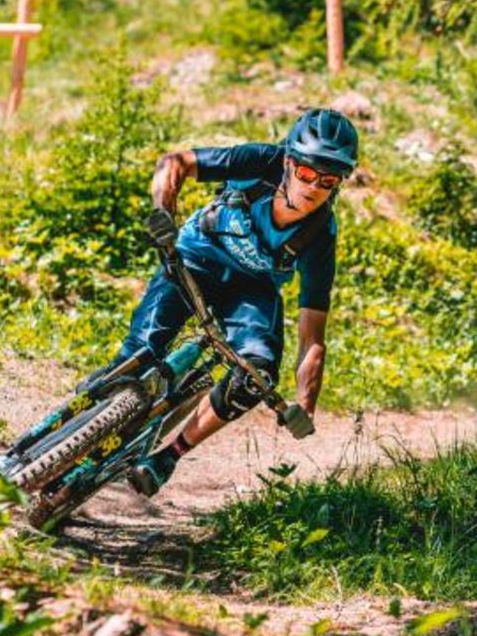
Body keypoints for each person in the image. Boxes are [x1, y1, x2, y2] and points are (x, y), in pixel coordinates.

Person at [102, 107, 358, 497]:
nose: (314, 187)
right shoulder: (260, 161)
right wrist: (162, 213)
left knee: (258, 375)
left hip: (252, 289)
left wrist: (305, 404)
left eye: (328, 180)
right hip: (197, 257)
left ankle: (166, 457)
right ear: (289, 162)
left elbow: (312, 337)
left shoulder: (321, 234)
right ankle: (82, 414)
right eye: (307, 172)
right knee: (142, 351)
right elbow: (175, 163)